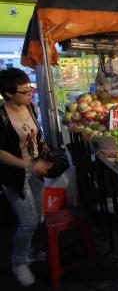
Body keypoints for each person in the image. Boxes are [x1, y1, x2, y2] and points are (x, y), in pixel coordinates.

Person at [0, 68, 52, 286]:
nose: (31, 93)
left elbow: (35, 134)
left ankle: (29, 251)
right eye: (25, 90)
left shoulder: (29, 106)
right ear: (10, 93)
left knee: (38, 213)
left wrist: (45, 150)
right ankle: (18, 262)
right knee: (28, 221)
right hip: (15, 174)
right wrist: (29, 164)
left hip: (35, 169)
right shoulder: (1, 116)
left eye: (31, 88)